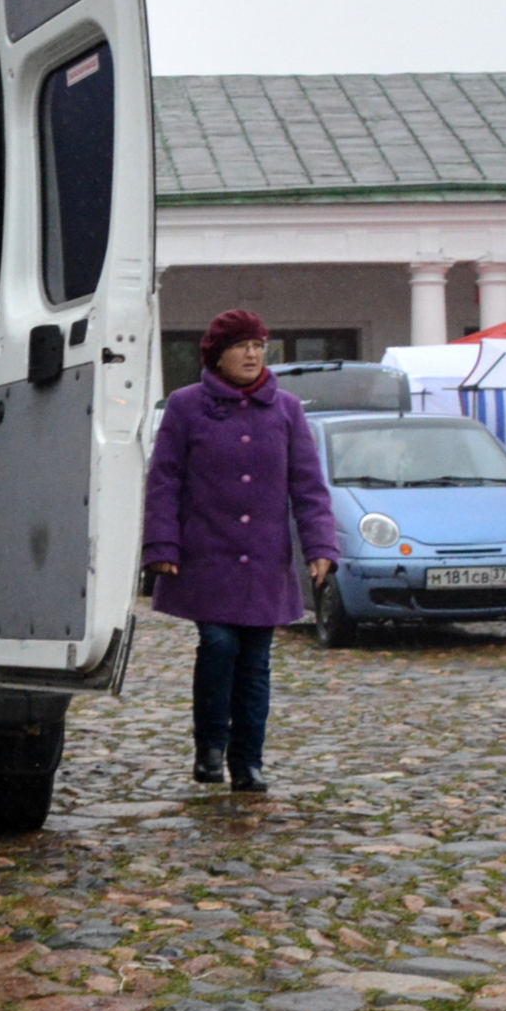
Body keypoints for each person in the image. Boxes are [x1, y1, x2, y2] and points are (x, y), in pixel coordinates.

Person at [140, 309, 336, 793]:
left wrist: (319, 545)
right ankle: (209, 747)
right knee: (219, 644)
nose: (252, 355)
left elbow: (308, 486)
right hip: (206, 556)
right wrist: (162, 544)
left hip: (264, 560)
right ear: (217, 355)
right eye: (241, 346)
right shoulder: (187, 406)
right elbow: (164, 481)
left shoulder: (287, 409)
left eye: (258, 346)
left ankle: (248, 762)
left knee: (254, 661)